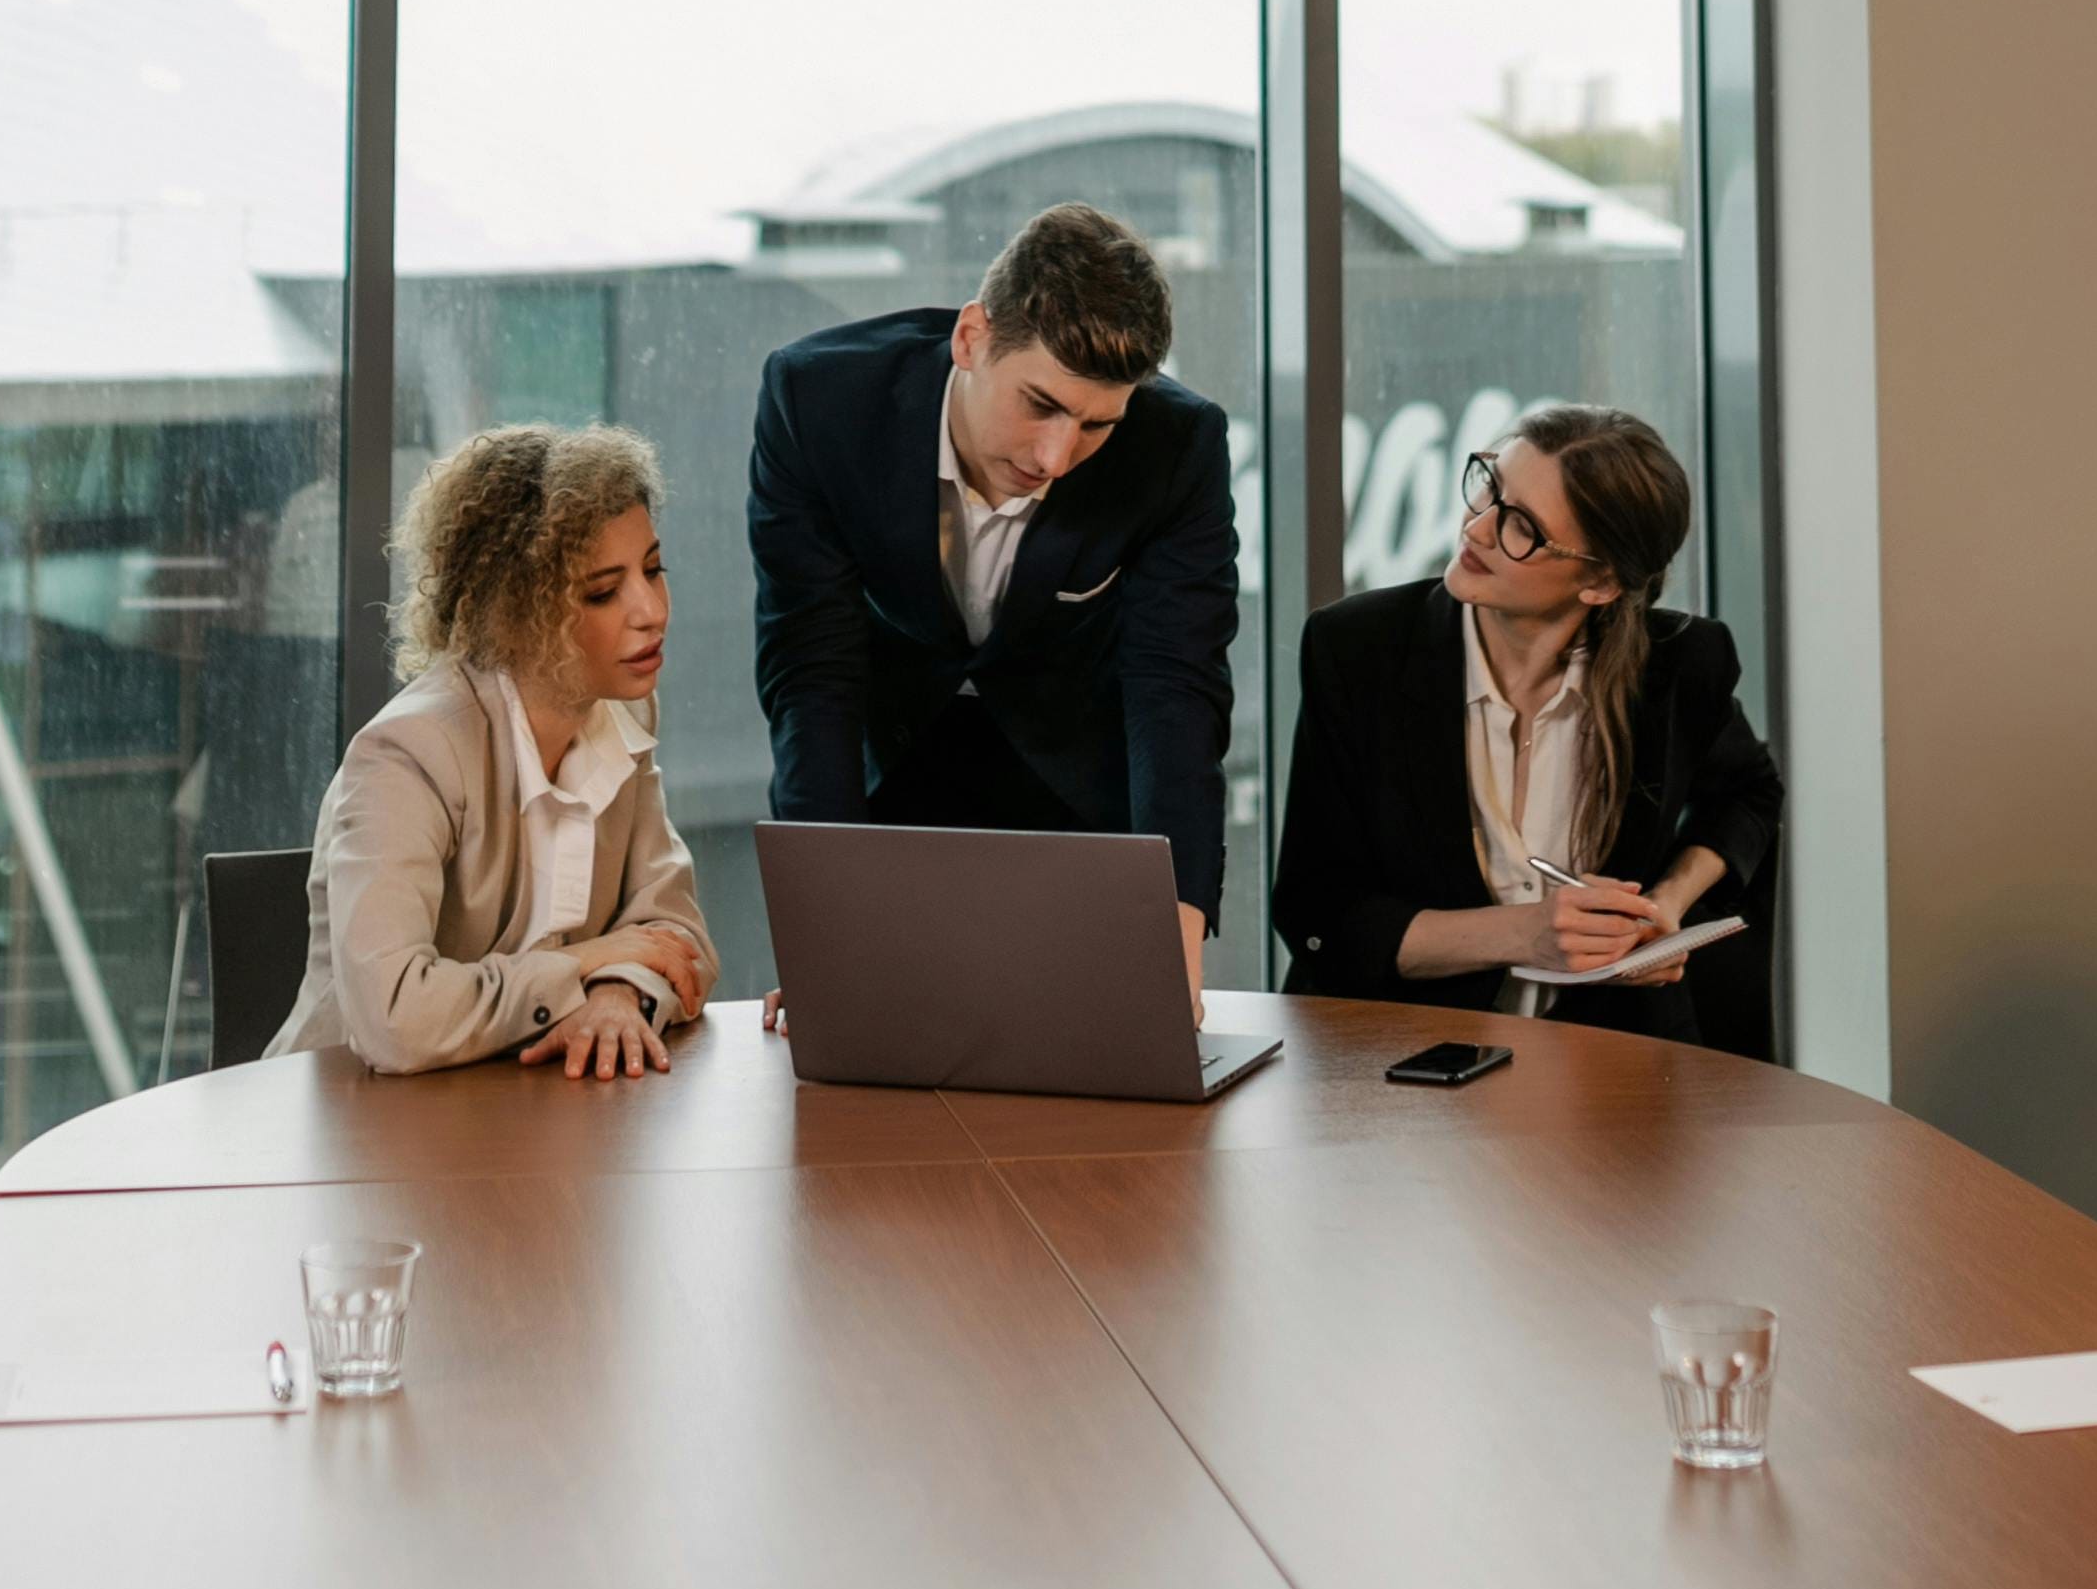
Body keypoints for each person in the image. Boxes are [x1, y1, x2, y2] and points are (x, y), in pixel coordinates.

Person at [749, 200, 1236, 997]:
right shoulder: (818, 401)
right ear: (971, 338)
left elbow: (1176, 688)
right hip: (894, 762)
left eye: (1095, 426)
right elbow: (811, 672)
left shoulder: (1178, 447)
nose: (1056, 456)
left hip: (1080, 781)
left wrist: (1176, 930)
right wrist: (821, 930)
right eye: (1040, 405)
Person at [1271, 404, 1779, 1038]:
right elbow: (1319, 915)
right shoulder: (1357, 647)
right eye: (1489, 487)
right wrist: (1527, 935)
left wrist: (1663, 906)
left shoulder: (1679, 664)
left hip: (1611, 1068)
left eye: (1522, 528)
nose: (1477, 528)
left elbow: (1748, 796)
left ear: (1598, 582)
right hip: (1399, 1065)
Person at [272, 421, 717, 1078]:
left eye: (653, 570)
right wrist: (583, 963)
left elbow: (676, 936)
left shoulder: (620, 710)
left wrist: (616, 993)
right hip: (352, 1134)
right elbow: (397, 1020)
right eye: (603, 591)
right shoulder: (406, 754)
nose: (651, 609)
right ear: (516, 609)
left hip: (521, 1119)